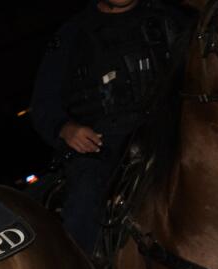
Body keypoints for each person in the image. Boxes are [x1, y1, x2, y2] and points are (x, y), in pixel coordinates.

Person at [30, 0, 185, 254]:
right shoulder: (72, 35)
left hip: (172, 131)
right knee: (84, 202)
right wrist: (66, 129)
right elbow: (43, 103)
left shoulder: (170, 19)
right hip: (102, 145)